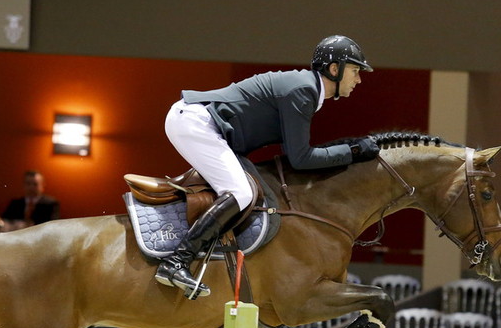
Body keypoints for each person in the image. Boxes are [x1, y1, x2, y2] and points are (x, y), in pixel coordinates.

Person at [154, 35, 379, 298]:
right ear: (334, 69)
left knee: (249, 187)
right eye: (355, 71)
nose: (359, 79)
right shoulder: (303, 90)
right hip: (196, 123)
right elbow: (301, 158)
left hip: (203, 124)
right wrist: (354, 150)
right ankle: (175, 262)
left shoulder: (307, 89)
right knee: (241, 193)